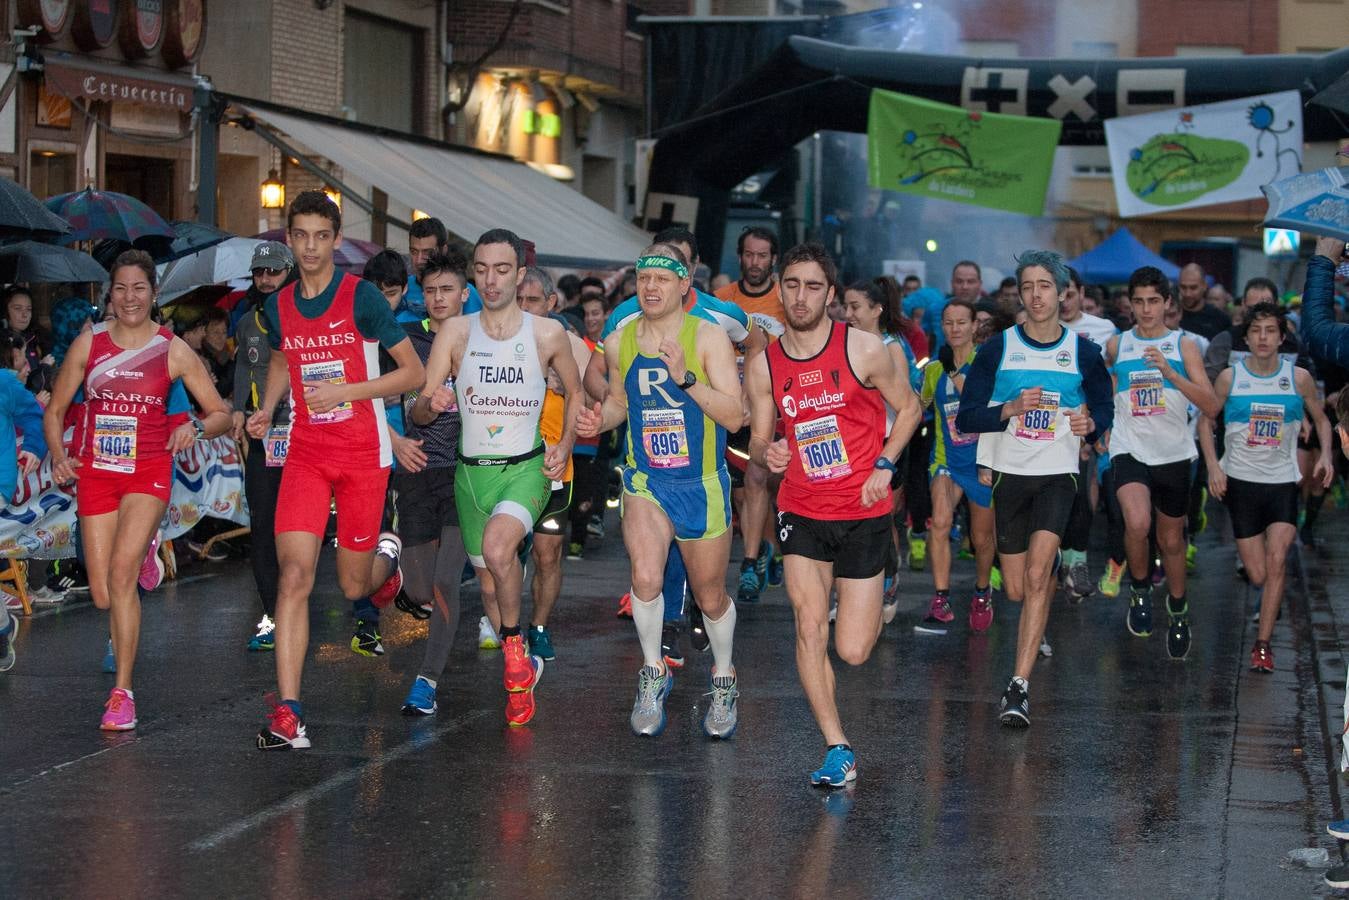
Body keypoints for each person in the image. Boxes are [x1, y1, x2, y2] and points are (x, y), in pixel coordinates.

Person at [245, 191, 423, 749]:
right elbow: (281, 354)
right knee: (293, 577)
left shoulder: (362, 298)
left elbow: (412, 372)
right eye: (301, 235)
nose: (312, 246)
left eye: (323, 236)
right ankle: (289, 712)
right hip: (305, 453)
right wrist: (268, 406)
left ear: (336, 239)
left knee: (353, 583)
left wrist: (349, 390)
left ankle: (386, 567)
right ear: (289, 238)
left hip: (362, 455)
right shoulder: (278, 305)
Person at [747, 242, 920, 785]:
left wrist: (886, 465)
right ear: (780, 289)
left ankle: (877, 584)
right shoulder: (765, 363)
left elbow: (912, 407)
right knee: (806, 626)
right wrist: (768, 451)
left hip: (864, 509)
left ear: (832, 295)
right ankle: (837, 746)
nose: (801, 297)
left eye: (813, 287)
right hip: (801, 508)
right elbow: (757, 438)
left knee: (853, 649)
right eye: (792, 285)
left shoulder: (864, 350)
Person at [44, 249, 231, 731]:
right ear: (110, 294)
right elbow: (55, 408)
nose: (130, 297)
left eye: (139, 288)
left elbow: (221, 414)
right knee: (105, 594)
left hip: (147, 470)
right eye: (121, 288)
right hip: (98, 473)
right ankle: (144, 551)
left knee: (122, 577)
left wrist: (192, 424)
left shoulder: (172, 349)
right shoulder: (91, 344)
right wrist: (60, 456)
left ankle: (122, 692)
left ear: (153, 294)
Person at [411, 228, 579, 728]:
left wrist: (566, 444)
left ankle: (512, 648)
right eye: (481, 269)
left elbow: (575, 392)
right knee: (489, 583)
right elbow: (419, 413)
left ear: (520, 274)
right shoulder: (455, 333)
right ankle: (515, 639)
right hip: (470, 477)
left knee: (502, 551)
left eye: (502, 270)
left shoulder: (547, 334)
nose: (491, 279)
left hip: (525, 469)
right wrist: (429, 402)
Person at [578, 242, 745, 738]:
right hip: (647, 479)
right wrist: (597, 419)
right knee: (646, 578)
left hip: (701, 483)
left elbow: (735, 416)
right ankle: (652, 673)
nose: (651, 287)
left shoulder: (709, 337)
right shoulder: (621, 340)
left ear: (683, 286)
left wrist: (685, 379)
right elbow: (618, 404)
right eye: (644, 278)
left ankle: (723, 675)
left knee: (710, 595)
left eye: (663, 278)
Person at [957, 250, 1113, 729]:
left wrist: (1091, 422)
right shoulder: (997, 350)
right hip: (1010, 474)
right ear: (1020, 294)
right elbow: (967, 417)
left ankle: (1018, 686)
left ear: (1062, 292)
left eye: (1046, 286)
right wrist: (1007, 410)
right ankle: (1033, 628)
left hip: (1058, 473)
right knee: (1019, 587)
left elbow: (1103, 409)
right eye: (1028, 287)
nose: (1037, 295)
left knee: (1041, 573)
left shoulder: (1082, 352)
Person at [1198, 302, 1330, 673]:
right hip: (1241, 484)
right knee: (1258, 574)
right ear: (1247, 336)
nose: (1263, 338)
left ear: (1282, 337)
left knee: (1277, 561)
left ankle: (1263, 645)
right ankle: (1268, 605)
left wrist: (1326, 457)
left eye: (1270, 331)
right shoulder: (1230, 378)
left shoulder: (1297, 377)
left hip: (1282, 483)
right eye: (1256, 331)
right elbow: (1205, 422)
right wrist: (1212, 466)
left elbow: (1321, 420)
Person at [1103, 267, 1219, 659]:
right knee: (1137, 522)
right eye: (1139, 301)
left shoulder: (1184, 346)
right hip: (1129, 448)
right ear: (1129, 304)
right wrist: (1101, 427)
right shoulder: (1117, 346)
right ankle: (1138, 589)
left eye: (1154, 301)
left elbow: (1210, 404)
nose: (1146, 309)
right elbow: (1111, 394)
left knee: (1171, 541)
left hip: (1173, 452)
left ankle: (1179, 608)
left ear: (1168, 303)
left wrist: (1171, 373)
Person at [395, 250, 469, 716]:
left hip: (467, 474)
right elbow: (397, 406)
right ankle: (393, 562)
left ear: (465, 294)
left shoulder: (484, 339)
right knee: (421, 590)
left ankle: (427, 680)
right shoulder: (408, 341)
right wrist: (403, 431)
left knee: (445, 581)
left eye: (448, 290)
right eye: (431, 290)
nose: (439, 298)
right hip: (418, 469)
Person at [514, 266, 592, 661]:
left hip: (554, 469)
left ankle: (539, 626)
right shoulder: (498, 340)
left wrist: (571, 385)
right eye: (519, 300)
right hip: (506, 466)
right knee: (504, 552)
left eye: (532, 301)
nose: (524, 308)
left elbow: (601, 399)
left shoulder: (573, 347)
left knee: (547, 554)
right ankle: (505, 626)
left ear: (551, 302)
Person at [229, 242, 297, 652]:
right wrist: (238, 408)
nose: (266, 279)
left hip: (307, 433)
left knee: (298, 530)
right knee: (263, 527)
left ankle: (295, 607)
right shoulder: (247, 322)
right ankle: (273, 614)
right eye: (260, 272)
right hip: (262, 437)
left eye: (274, 271)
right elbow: (242, 366)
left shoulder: (306, 314)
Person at [917, 299, 997, 633]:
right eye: (948, 323)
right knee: (940, 522)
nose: (954, 329)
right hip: (946, 461)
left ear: (974, 326)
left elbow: (996, 410)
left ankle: (981, 591)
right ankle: (941, 598)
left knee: (981, 539)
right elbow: (917, 407)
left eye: (961, 322)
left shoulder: (987, 363)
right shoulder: (934, 370)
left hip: (980, 462)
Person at [715, 227, 784, 601]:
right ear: (739, 256)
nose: (754, 262)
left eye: (762, 256)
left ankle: (759, 555)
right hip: (730, 409)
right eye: (749, 254)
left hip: (773, 408)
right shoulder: (722, 301)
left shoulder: (786, 301)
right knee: (747, 489)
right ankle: (758, 555)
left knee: (766, 482)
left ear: (773, 259)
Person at [1058, 266, 1117, 599]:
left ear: (1082, 293)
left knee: (1083, 491)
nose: (1065, 301)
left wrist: (1099, 424)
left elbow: (1110, 378)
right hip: (1052, 422)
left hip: (1089, 423)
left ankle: (1076, 561)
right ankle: (1060, 557)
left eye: (1070, 292)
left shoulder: (1103, 329)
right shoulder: (1040, 328)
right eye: (1059, 293)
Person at [405, 216, 482, 319]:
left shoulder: (463, 291)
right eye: (414, 252)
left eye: (427, 252)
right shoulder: (402, 288)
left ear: (443, 250)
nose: (419, 260)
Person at [1177, 263, 1230, 339]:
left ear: (1204, 286)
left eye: (1193, 288)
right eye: (1183, 287)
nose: (1188, 294)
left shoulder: (1220, 319)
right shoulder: (1170, 315)